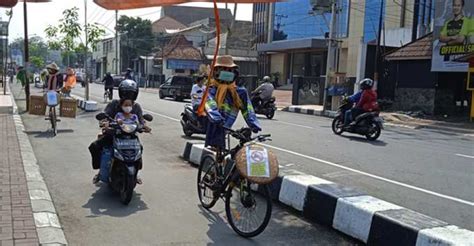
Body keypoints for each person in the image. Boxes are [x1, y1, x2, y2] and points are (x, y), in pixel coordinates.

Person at [88, 79, 151, 184]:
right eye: (126, 93)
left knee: (140, 148)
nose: (128, 95)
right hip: (113, 135)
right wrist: (104, 122)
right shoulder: (114, 104)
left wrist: (144, 126)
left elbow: (141, 120)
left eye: (131, 93)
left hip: (130, 136)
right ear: (121, 92)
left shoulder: (136, 107)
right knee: (94, 146)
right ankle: (100, 171)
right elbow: (105, 115)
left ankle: (135, 172)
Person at [202, 55, 261, 149]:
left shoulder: (240, 92)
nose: (227, 73)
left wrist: (253, 124)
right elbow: (209, 103)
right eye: (223, 70)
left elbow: (247, 109)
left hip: (228, 124)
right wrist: (216, 117)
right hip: (214, 123)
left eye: (230, 70)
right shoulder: (210, 89)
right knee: (213, 147)